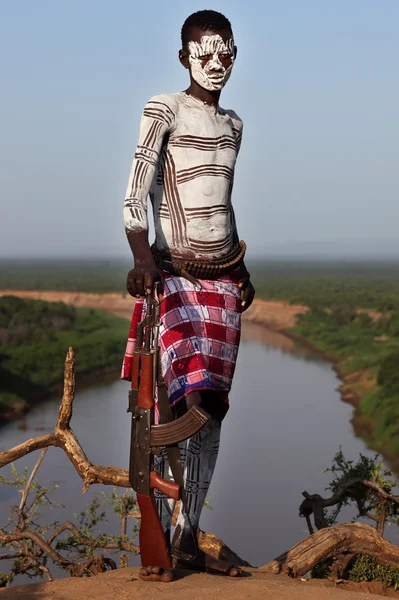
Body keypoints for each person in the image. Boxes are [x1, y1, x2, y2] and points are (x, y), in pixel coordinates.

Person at [121, 9, 255, 579]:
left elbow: (223, 204)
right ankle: (162, 529)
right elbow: (136, 189)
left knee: (213, 412)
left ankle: (189, 537)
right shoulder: (164, 109)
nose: (217, 61)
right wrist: (142, 257)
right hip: (172, 277)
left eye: (226, 50)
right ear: (184, 57)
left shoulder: (234, 126)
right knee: (177, 408)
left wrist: (241, 268)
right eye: (205, 51)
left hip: (223, 281)